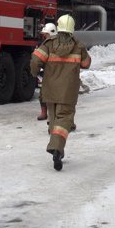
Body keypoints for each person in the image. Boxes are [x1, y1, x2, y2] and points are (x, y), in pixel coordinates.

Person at [30, 14, 91, 171]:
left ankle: (57, 147)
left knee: (54, 119)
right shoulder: (78, 46)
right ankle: (56, 150)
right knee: (63, 121)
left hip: (50, 89)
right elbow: (86, 63)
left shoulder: (49, 44)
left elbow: (36, 60)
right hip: (68, 92)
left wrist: (35, 72)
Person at [36, 22, 57, 121]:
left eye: (46, 34)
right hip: (44, 72)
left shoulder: (59, 45)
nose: (44, 35)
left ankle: (54, 114)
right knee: (43, 93)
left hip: (56, 73)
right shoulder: (42, 44)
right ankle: (43, 112)